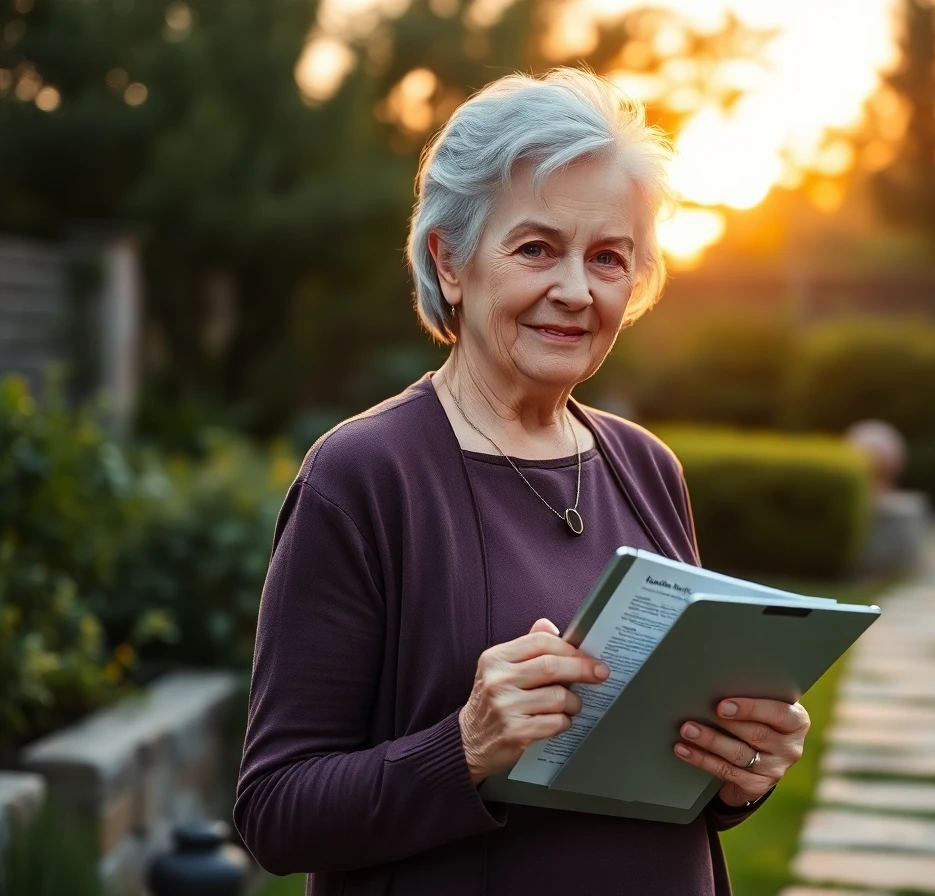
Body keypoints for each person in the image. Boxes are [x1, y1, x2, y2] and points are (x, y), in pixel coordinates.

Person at [234, 67, 810, 896]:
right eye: (537, 248)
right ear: (452, 261)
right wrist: (463, 747)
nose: (574, 291)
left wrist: (740, 769)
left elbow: (670, 782)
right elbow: (276, 811)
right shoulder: (362, 478)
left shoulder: (646, 468)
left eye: (608, 257)